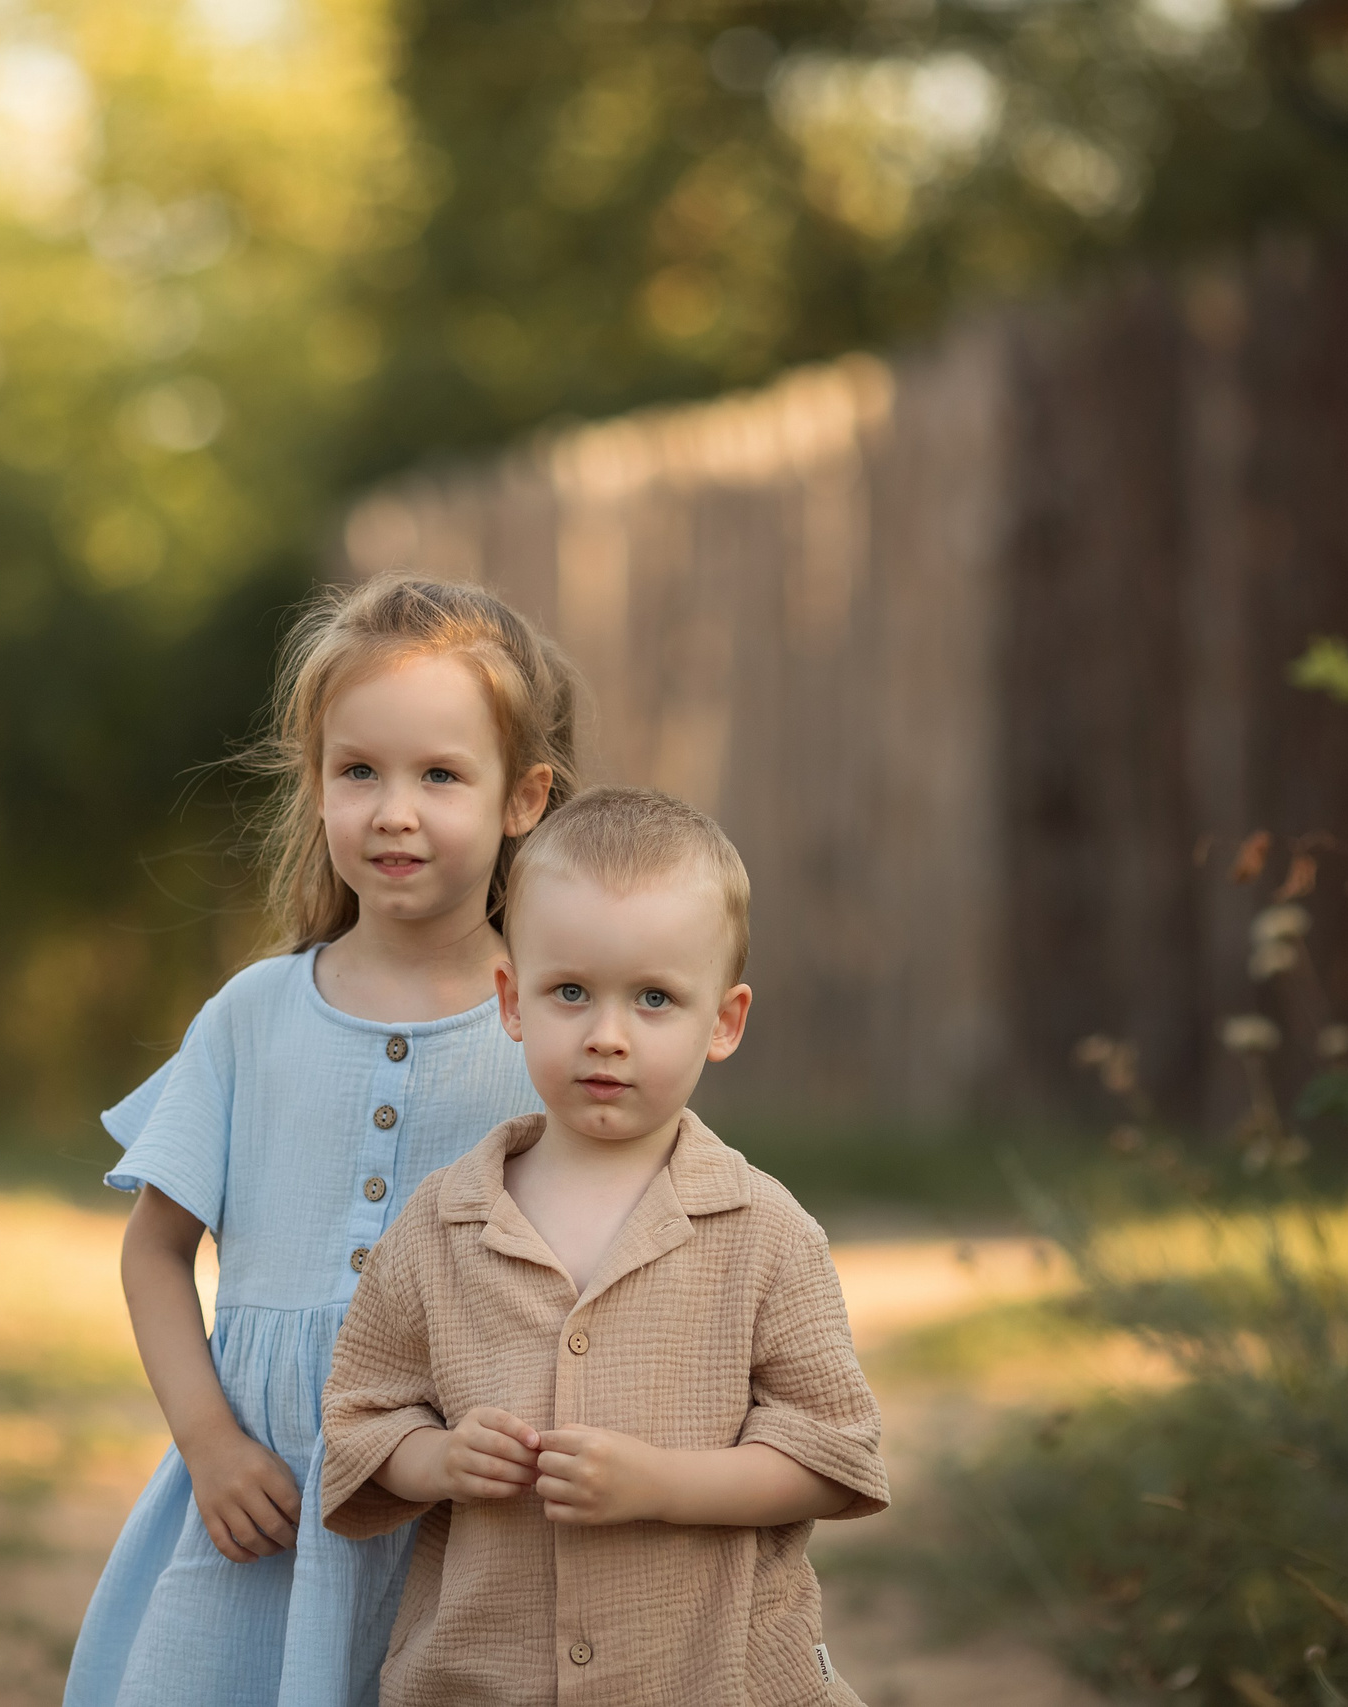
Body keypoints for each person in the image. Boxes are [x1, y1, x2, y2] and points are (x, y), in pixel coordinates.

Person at [64, 577, 584, 1707]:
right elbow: (154, 1251)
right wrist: (207, 1442)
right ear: (315, 788)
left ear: (522, 796)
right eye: (357, 772)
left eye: (439, 775)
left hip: (464, 1516)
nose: (393, 810)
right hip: (265, 1502)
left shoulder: (547, 1032)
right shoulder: (251, 1016)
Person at [316, 786, 888, 1707]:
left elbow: (832, 1453)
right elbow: (360, 1417)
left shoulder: (767, 1233)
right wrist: (441, 1460)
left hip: (706, 1679)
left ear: (725, 1020)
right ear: (512, 998)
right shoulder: (441, 1225)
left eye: (655, 998)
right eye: (571, 991)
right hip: (484, 1678)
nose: (607, 1036)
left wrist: (663, 1483)